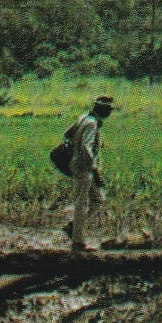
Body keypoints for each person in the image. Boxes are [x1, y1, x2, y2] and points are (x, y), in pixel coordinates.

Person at [67, 95, 113, 252]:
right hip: (84, 168)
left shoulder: (83, 118)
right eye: (108, 109)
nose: (110, 113)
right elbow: (86, 147)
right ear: (101, 109)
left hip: (79, 164)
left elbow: (68, 134)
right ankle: (78, 242)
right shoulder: (92, 124)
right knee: (82, 203)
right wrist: (95, 169)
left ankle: (73, 228)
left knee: (99, 199)